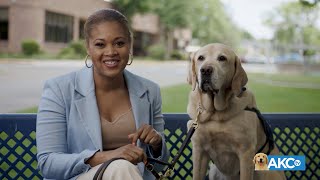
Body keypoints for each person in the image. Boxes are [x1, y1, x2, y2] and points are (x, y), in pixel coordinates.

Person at [36, 8, 169, 180]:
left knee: (123, 169)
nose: (111, 52)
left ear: (129, 45)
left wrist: (157, 144)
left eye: (119, 43)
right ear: (88, 47)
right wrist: (108, 157)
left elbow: (159, 165)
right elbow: (48, 163)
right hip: (80, 177)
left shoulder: (150, 91)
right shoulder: (59, 90)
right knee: (121, 167)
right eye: (100, 44)